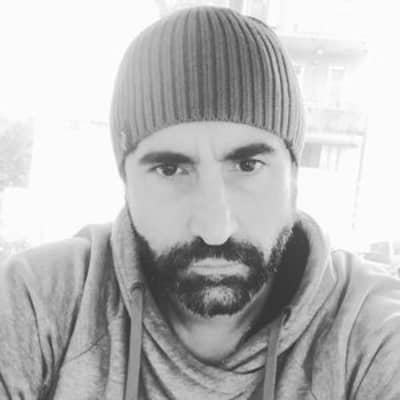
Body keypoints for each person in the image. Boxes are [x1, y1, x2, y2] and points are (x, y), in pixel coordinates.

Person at [1, 6, 399, 400]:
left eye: (247, 166)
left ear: (293, 177)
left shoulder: (372, 334)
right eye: (170, 169)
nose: (215, 228)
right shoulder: (40, 300)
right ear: (126, 183)